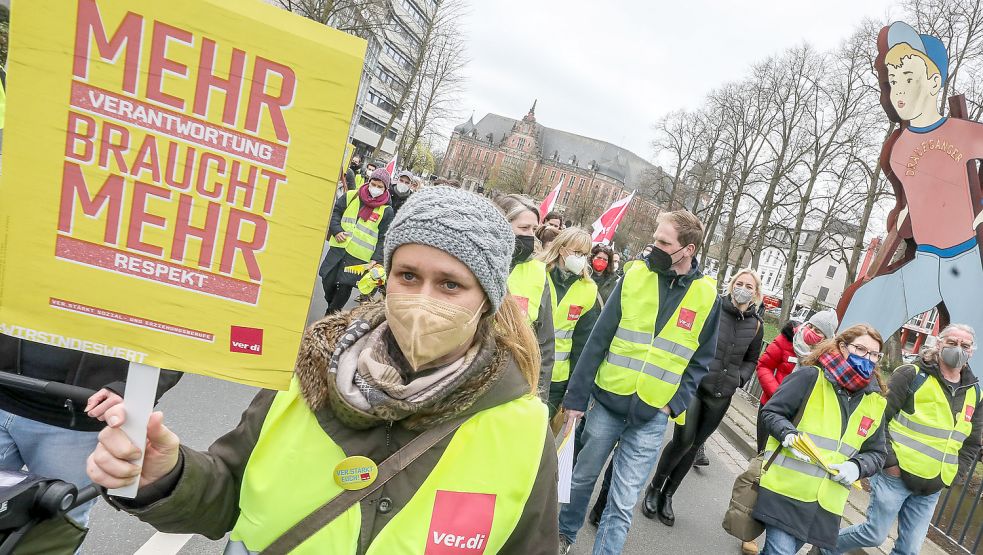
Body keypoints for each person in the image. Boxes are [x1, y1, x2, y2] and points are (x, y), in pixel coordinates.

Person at [86, 186, 560, 555]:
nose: (422, 301)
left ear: (486, 300)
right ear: (388, 276)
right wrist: (167, 476)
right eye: (408, 276)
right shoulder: (310, 373)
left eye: (451, 284)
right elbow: (228, 490)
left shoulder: (520, 430)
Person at [557, 209, 721, 555]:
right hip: (607, 402)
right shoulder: (634, 276)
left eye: (663, 242)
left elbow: (700, 361)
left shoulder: (707, 295)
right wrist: (575, 398)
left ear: (687, 249)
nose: (654, 247)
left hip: (651, 415)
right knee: (582, 478)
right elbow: (598, 339)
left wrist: (673, 405)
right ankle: (564, 536)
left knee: (622, 501)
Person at [839, 21, 983, 372]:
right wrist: (902, 220)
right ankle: (836, 375)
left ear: (934, 81)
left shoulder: (962, 132)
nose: (899, 89)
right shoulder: (899, 149)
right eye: (894, 79)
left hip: (963, 262)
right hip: (926, 261)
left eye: (909, 77)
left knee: (977, 355)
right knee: (864, 306)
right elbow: (910, 205)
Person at [824, 324, 981, 555]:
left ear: (972, 351)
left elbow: (972, 442)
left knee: (909, 550)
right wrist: (890, 464)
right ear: (938, 344)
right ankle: (825, 548)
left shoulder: (974, 391)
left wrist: (955, 475)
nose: (958, 349)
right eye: (952, 343)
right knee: (873, 534)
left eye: (964, 345)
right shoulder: (912, 374)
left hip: (933, 485)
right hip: (895, 476)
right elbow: (878, 419)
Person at [0, 337, 182, 531]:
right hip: (5, 389)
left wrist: (131, 389)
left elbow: (183, 334)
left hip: (79, 417)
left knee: (55, 527)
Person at [642, 269, 764, 526]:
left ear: (756, 293)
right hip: (697, 386)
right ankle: (654, 486)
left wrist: (739, 378)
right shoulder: (714, 308)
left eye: (749, 286)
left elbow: (752, 359)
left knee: (695, 445)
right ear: (731, 286)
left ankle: (668, 494)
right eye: (739, 283)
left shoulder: (756, 326)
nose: (743, 289)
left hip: (722, 395)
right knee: (683, 439)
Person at [754, 324, 889, 555]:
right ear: (842, 347)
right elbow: (771, 412)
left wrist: (857, 467)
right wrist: (787, 434)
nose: (867, 358)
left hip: (824, 504)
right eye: (860, 349)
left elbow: (878, 453)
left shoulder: (875, 402)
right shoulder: (810, 377)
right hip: (786, 490)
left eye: (874, 354)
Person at [492, 194, 555, 401]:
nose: (531, 237)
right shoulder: (477, 261)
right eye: (524, 228)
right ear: (501, 224)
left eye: (534, 230)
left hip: (512, 386)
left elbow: (544, 343)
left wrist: (539, 396)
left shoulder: (538, 273)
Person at [756, 310, 839, 450]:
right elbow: (764, 366)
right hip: (771, 405)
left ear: (827, 338)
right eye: (810, 326)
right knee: (763, 452)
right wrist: (777, 394)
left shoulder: (828, 358)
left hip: (801, 416)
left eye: (818, 331)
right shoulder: (787, 339)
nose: (811, 331)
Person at [540, 228, 600, 420]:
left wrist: (574, 388)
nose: (580, 258)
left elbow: (583, 343)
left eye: (584, 254)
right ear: (562, 249)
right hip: (524, 369)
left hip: (557, 380)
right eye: (577, 252)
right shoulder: (537, 274)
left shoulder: (588, 289)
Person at [318, 168, 394, 314]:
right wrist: (337, 230)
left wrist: (375, 259)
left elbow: (384, 238)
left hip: (359, 258)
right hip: (339, 249)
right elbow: (336, 213)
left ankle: (332, 314)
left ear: (386, 189)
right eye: (374, 184)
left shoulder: (386, 211)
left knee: (344, 287)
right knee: (327, 280)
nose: (375, 189)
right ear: (369, 182)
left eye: (380, 187)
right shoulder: (351, 196)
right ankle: (331, 305)